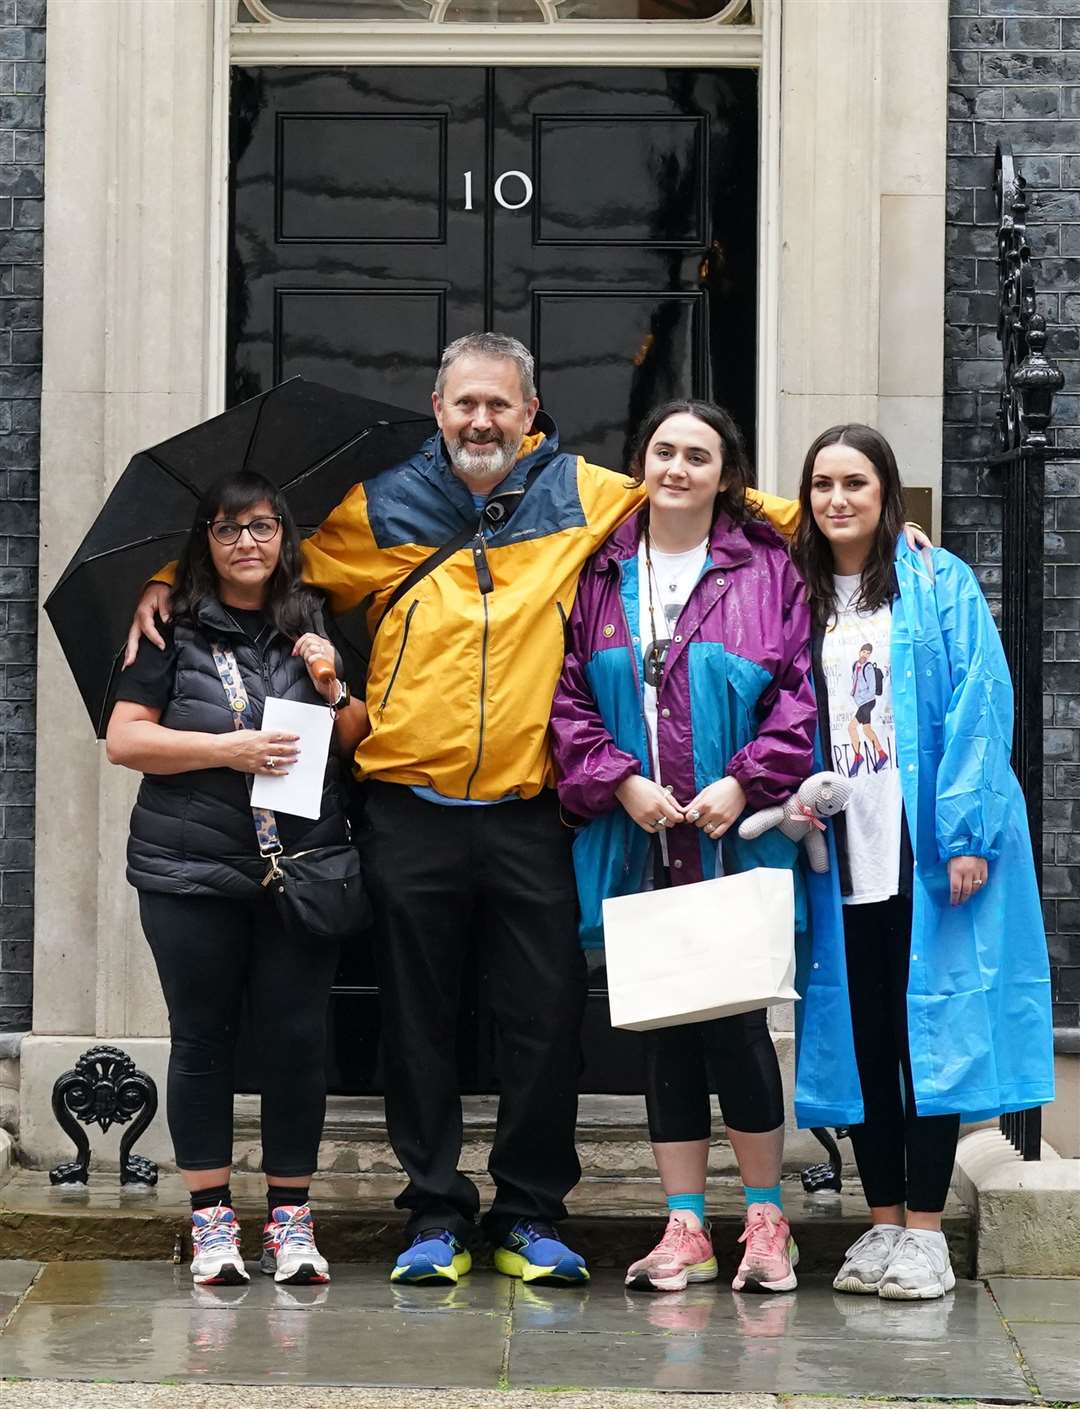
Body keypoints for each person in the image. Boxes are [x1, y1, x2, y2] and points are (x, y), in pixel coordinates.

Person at [126, 335, 808, 1290]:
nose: (482, 421)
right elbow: (260, 559)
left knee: (545, 1019)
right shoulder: (379, 507)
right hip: (409, 803)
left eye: (500, 405)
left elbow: (718, 502)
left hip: (534, 808)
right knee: (420, 1019)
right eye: (464, 405)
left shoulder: (587, 492)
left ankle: (529, 1214)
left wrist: (854, 528)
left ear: (532, 413)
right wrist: (164, 576)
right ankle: (435, 1212)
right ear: (435, 408)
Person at [550, 400, 816, 1296]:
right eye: (663, 451)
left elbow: (795, 695)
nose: (677, 468)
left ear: (725, 474)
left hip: (731, 837)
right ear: (641, 463)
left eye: (697, 456)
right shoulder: (599, 570)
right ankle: (687, 1225)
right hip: (640, 838)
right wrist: (621, 779)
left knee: (738, 1025)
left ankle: (766, 1220)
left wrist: (743, 780)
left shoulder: (766, 568)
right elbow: (568, 698)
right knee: (664, 1028)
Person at [790, 424, 1055, 1301]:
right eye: (822, 482)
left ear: (886, 490)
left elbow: (984, 697)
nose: (837, 499)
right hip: (839, 849)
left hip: (925, 844)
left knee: (925, 1036)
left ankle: (929, 1231)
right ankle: (880, 1220)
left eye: (855, 483)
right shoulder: (794, 590)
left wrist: (967, 833)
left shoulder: (936, 580)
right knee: (863, 1037)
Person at [107, 470, 369, 1288]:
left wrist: (333, 684)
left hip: (299, 869)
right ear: (205, 542)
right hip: (189, 869)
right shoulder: (169, 627)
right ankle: (211, 1221)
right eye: (227, 529)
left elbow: (359, 738)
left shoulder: (320, 619)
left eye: (261, 527)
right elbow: (125, 739)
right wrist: (229, 749)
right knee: (202, 1041)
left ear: (285, 537)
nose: (246, 543)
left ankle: (290, 1221)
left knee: (297, 1042)